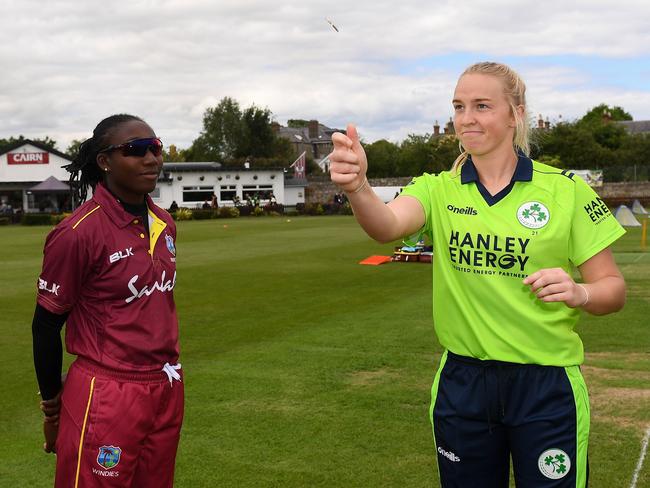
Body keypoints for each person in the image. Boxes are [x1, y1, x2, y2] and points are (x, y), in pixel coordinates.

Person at [329, 62, 626, 487]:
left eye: (482, 106)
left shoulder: (567, 191)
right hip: (463, 384)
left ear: (515, 114)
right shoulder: (437, 188)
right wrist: (359, 187)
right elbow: (386, 226)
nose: (467, 118)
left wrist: (580, 292)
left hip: (546, 385)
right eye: (459, 106)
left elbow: (612, 289)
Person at [32, 114, 184, 487]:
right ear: (105, 161)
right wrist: (52, 405)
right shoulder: (77, 233)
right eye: (136, 150)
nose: (151, 159)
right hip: (107, 391)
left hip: (166, 384)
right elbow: (46, 325)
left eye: (155, 147)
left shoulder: (164, 222)